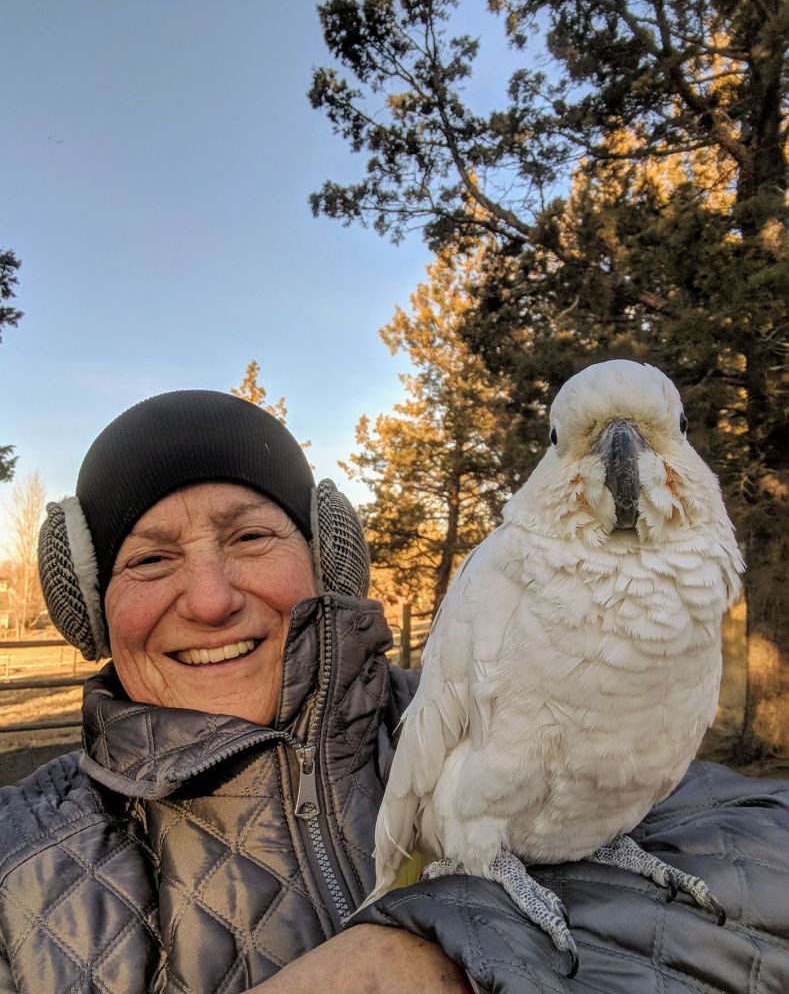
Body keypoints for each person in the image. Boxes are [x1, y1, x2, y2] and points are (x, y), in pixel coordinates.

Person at [0, 389, 786, 994]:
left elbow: (758, 852)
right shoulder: (19, 858)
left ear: (330, 558)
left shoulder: (421, 709)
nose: (210, 601)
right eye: (150, 559)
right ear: (86, 604)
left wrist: (424, 950)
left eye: (250, 537)